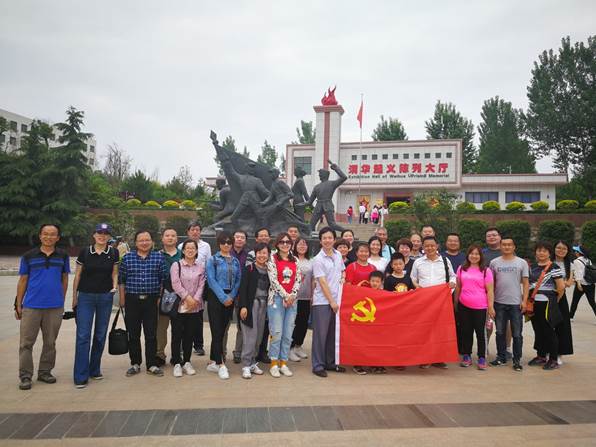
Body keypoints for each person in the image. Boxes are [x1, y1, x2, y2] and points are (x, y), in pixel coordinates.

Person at [15, 224, 69, 391]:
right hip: (31, 306)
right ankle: (25, 375)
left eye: (53, 234)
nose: (48, 237)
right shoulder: (28, 256)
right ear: (40, 236)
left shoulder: (63, 255)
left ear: (58, 238)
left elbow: (64, 279)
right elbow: (23, 280)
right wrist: (18, 304)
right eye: (45, 234)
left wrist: (61, 300)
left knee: (50, 342)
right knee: (26, 343)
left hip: (54, 306)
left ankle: (45, 371)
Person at [72, 223, 119, 388]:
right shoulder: (85, 252)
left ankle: (94, 369)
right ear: (94, 235)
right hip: (86, 297)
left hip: (105, 297)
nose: (102, 236)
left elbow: (114, 272)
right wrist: (74, 297)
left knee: (100, 335)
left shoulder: (113, 252)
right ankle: (80, 375)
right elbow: (78, 275)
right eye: (99, 232)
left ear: (109, 236)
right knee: (83, 335)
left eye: (106, 233)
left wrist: (114, 287)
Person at [119, 230, 168, 377]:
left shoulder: (158, 257)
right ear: (136, 243)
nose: (144, 243)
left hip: (151, 300)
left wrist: (159, 298)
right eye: (141, 240)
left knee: (151, 334)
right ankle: (135, 363)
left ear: (152, 242)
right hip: (132, 300)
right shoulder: (128, 258)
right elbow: (121, 280)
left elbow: (163, 280)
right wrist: (122, 299)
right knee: (133, 334)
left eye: (147, 240)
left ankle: (151, 364)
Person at [410, 236, 456, 369]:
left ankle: (438, 358)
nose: (429, 248)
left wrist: (451, 286)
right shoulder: (418, 262)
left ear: (437, 246)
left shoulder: (445, 261)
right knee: (424, 329)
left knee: (440, 330)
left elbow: (452, 276)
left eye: (432, 245)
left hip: (441, 302)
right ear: (422, 247)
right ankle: (425, 358)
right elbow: (413, 278)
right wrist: (417, 286)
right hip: (423, 302)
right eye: (426, 246)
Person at [488, 236, 529, 371]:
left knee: (517, 333)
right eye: (504, 245)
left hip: (516, 303)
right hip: (499, 302)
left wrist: (524, 301)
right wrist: (490, 303)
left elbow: (526, 283)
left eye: (509, 245)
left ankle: (517, 360)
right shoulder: (494, 263)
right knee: (500, 332)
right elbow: (490, 283)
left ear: (514, 247)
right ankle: (501, 357)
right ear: (500, 246)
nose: (506, 247)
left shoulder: (521, 262)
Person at [206, 232, 242, 380]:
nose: (226, 245)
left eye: (229, 242)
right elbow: (211, 279)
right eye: (223, 242)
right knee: (216, 331)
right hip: (216, 297)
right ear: (219, 244)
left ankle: (214, 361)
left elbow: (238, 280)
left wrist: (231, 296)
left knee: (222, 330)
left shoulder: (235, 261)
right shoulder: (213, 260)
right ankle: (220, 364)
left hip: (230, 298)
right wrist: (223, 297)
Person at [311, 227, 346, 377]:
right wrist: (331, 301)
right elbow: (322, 282)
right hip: (323, 302)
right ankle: (318, 365)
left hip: (337, 301)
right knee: (321, 335)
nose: (327, 240)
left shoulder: (338, 255)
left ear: (334, 239)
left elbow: (342, 270)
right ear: (320, 241)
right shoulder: (318, 259)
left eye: (330, 237)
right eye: (324, 238)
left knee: (333, 334)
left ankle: (330, 362)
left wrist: (343, 277)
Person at [169, 239, 206, 377]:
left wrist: (195, 299)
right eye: (187, 248)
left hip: (194, 307)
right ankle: (177, 363)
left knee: (189, 335)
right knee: (177, 335)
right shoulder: (176, 265)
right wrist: (187, 298)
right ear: (183, 251)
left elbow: (202, 284)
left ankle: (187, 361)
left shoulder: (200, 267)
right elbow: (175, 284)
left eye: (193, 248)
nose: (190, 250)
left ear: (196, 251)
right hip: (180, 306)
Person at [454, 245, 494, 371]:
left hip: (480, 307)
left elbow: (490, 290)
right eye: (472, 254)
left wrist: (491, 307)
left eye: (477, 254)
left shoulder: (486, 271)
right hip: (464, 305)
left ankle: (482, 357)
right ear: (468, 255)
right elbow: (458, 287)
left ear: (480, 256)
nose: (474, 256)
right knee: (466, 331)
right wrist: (456, 302)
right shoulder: (461, 268)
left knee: (481, 333)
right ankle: (467, 355)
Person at [267, 233, 302, 377]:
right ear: (277, 243)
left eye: (288, 242)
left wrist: (292, 295)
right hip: (276, 299)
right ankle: (274, 363)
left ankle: (283, 362)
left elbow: (298, 279)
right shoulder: (272, 258)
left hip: (292, 301)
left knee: (288, 334)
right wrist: (286, 296)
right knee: (276, 333)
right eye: (282, 242)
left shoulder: (295, 260)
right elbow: (273, 280)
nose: (285, 244)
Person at [527, 242, 565, 370]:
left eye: (544, 251)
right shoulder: (532, 267)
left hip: (546, 303)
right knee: (538, 330)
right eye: (539, 250)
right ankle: (541, 356)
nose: (541, 253)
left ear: (549, 253)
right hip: (533, 303)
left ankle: (553, 359)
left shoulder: (554, 267)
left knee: (548, 330)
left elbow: (561, 288)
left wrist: (554, 301)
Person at [178, 221, 211, 357]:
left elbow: (208, 264)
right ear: (188, 232)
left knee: (198, 318)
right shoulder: (181, 246)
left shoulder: (206, 246)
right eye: (192, 229)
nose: (195, 232)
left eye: (197, 229)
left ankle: (198, 345)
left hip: (199, 285)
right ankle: (183, 345)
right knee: (182, 317)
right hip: (184, 287)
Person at [238, 243, 271, 379]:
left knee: (259, 336)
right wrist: (243, 306)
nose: (262, 255)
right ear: (255, 254)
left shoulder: (270, 270)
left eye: (265, 253)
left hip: (264, 305)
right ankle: (246, 365)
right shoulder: (249, 269)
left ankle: (252, 362)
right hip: (251, 305)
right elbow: (243, 288)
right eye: (259, 253)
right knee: (250, 336)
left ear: (268, 255)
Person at [156, 228, 181, 367]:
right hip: (163, 295)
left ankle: (177, 355)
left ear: (177, 239)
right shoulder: (157, 255)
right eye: (167, 235)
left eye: (173, 235)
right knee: (161, 327)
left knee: (178, 328)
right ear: (162, 238)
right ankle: (159, 354)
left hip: (180, 295)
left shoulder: (183, 254)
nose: (170, 238)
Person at [289, 237, 314, 362]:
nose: (302, 246)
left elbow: (313, 279)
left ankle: (298, 346)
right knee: (292, 323)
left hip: (306, 296)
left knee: (303, 323)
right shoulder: (291, 260)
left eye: (304, 244)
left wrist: (313, 295)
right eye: (299, 244)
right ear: (294, 246)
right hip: (293, 297)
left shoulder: (311, 262)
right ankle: (290, 348)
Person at [307, 162, 348, 233]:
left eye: (320, 174)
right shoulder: (316, 187)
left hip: (328, 204)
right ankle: (312, 236)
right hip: (318, 206)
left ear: (324, 175)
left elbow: (344, 177)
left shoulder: (332, 184)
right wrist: (300, 205)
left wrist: (336, 169)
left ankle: (347, 232)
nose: (319, 175)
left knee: (332, 224)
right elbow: (309, 202)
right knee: (311, 225)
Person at [228, 230, 249, 364]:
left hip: (242, 294)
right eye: (237, 237)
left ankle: (238, 351)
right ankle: (221, 352)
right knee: (224, 325)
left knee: (242, 325)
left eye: (242, 237)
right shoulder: (226, 253)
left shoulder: (248, 256)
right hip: (227, 294)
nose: (239, 239)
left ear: (245, 241)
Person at [552, 240, 574, 364]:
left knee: (562, 325)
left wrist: (559, 282)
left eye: (564, 248)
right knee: (547, 325)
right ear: (554, 249)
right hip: (547, 296)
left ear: (567, 251)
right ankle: (547, 351)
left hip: (561, 297)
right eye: (559, 247)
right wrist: (561, 281)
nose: (561, 250)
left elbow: (569, 283)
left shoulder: (570, 265)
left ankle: (559, 354)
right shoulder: (549, 262)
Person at [570, 244, 596, 321]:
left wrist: (578, 284)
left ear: (579, 253)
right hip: (590, 284)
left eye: (576, 251)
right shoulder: (588, 260)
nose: (575, 252)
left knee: (575, 301)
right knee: (592, 302)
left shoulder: (576, 261)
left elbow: (578, 273)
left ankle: (570, 316)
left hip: (581, 284)